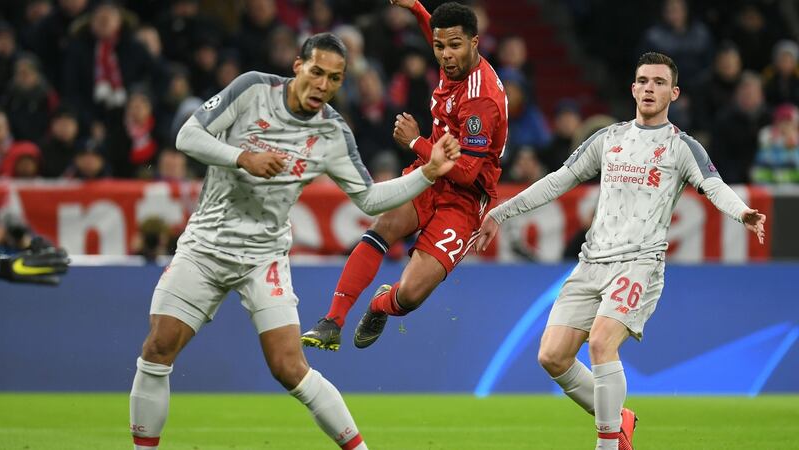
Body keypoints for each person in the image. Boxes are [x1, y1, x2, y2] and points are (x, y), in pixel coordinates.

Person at [128, 33, 461, 450]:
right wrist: (242, 157)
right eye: (317, 72)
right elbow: (187, 137)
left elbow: (370, 198)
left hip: (262, 257)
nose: (323, 85)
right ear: (298, 66)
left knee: (289, 367)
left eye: (335, 79)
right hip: (205, 246)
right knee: (158, 349)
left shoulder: (333, 133)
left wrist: (427, 174)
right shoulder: (252, 89)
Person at [476, 52, 767, 450]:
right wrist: (501, 212)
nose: (650, 88)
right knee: (552, 357)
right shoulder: (608, 139)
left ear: (674, 92)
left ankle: (607, 444)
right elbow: (559, 180)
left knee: (600, 342)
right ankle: (618, 419)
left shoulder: (681, 147)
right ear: (633, 88)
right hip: (591, 262)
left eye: (659, 82)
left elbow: (713, 185)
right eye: (643, 80)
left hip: (639, 263)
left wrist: (741, 212)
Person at [301, 1, 507, 351]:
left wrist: (416, 142)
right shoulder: (454, 59)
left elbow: (467, 172)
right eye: (439, 47)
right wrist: (414, 6)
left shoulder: (480, 101)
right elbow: (436, 31)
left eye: (454, 45)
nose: (444, 55)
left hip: (466, 196)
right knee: (383, 227)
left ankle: (381, 304)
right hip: (430, 175)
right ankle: (332, 321)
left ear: (475, 42)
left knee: (410, 295)